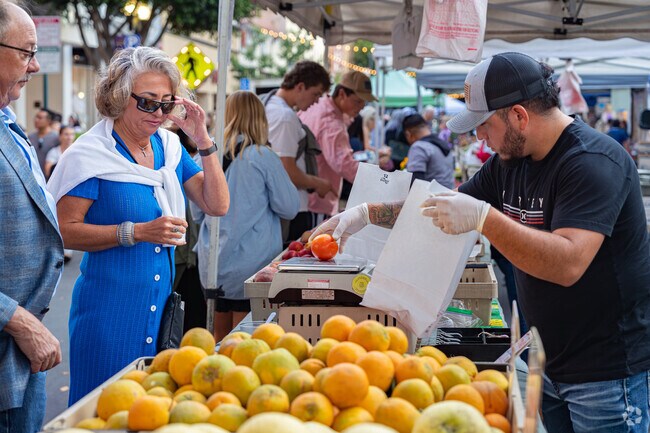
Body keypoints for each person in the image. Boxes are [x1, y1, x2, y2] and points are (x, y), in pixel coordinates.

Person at [311, 52, 650, 433]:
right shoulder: (510, 161)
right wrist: (367, 213)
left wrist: (485, 219)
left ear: (519, 115)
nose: (479, 137)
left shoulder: (592, 162)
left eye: (484, 125)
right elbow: (439, 206)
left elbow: (568, 263)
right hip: (547, 357)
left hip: (605, 372)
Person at [47, 46, 229, 404]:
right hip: (108, 311)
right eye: (147, 102)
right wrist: (137, 232)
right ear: (118, 97)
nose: (158, 113)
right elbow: (62, 229)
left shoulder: (169, 148)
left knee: (148, 411)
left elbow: (217, 204)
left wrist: (203, 139)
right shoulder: (92, 155)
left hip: (159, 308)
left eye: (166, 103)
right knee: (102, 412)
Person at [0, 2, 64, 432]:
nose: (35, 65)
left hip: (18, 356)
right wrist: (15, 318)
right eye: (26, 52)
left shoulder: (7, 118)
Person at [194, 91, 299, 341]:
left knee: (219, 337)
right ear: (260, 118)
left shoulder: (204, 157)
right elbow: (290, 207)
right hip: (253, 262)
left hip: (212, 265)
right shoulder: (262, 157)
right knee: (246, 340)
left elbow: (196, 213)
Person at [265, 61, 336, 244]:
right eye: (315, 94)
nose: (316, 101)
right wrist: (318, 183)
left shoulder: (271, 105)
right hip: (291, 209)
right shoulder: (284, 117)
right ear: (300, 86)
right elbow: (285, 168)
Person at [299, 71, 377, 221]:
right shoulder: (331, 122)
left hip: (306, 197)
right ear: (342, 94)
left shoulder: (319, 105)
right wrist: (377, 183)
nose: (361, 107)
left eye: (364, 103)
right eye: (358, 101)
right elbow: (343, 164)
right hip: (316, 201)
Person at [402, 113, 454, 188]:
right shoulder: (443, 144)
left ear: (408, 134)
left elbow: (416, 182)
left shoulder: (419, 147)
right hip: (451, 195)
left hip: (433, 197)